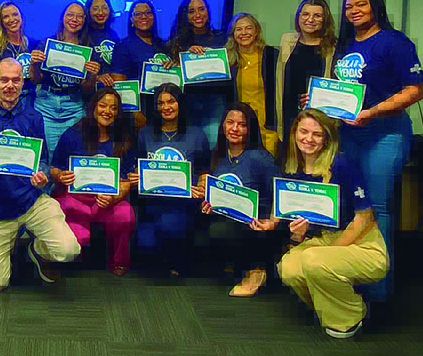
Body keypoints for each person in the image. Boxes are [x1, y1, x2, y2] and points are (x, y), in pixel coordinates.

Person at [332, 0, 423, 297]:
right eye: (349, 7)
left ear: (376, 6)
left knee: (377, 206)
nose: (354, 11)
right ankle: (351, 279)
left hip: (385, 134)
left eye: (361, 4)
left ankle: (378, 290)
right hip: (350, 135)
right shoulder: (345, 44)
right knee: (353, 206)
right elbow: (341, 91)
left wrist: (371, 112)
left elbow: (415, 90)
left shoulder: (394, 42)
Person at [0, 58, 80, 291]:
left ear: (22, 82)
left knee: (68, 250)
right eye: (4, 79)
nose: (10, 85)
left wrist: (43, 174)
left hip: (31, 200)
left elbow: (44, 160)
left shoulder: (34, 117)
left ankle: (35, 251)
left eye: (16, 80)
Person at [277, 109, 388, 339]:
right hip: (322, 238)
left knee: (313, 261)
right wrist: (297, 235)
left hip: (362, 241)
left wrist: (331, 250)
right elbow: (301, 232)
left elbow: (365, 217)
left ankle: (352, 315)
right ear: (294, 133)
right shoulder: (293, 169)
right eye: (304, 132)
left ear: (326, 137)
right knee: (288, 267)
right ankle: (332, 309)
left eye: (317, 134)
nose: (308, 139)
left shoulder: (341, 164)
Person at [194, 102, 280, 297]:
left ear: (250, 129)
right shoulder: (219, 156)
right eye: (230, 122)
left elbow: (278, 195)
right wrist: (208, 204)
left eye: (241, 124)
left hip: (257, 224)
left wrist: (272, 222)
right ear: (222, 125)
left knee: (218, 232)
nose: (235, 128)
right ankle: (235, 266)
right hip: (228, 217)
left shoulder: (260, 158)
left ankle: (257, 269)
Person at [50, 88, 135, 276]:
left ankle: (119, 259)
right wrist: (60, 176)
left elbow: (127, 181)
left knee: (125, 214)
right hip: (75, 198)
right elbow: (54, 168)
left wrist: (115, 198)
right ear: (93, 107)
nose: (108, 111)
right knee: (78, 238)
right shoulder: (73, 134)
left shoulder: (123, 139)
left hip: (107, 200)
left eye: (113, 108)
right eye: (103, 105)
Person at [129, 83, 210, 276]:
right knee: (144, 244)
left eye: (171, 101)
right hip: (151, 204)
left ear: (180, 103)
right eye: (160, 103)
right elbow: (137, 166)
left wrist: (200, 186)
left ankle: (180, 259)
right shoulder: (145, 133)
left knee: (167, 227)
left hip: (182, 205)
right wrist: (135, 176)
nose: (166, 107)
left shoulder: (196, 134)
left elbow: (204, 171)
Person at [29, 2, 101, 157]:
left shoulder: (88, 48)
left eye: (79, 16)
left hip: (74, 105)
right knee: (48, 155)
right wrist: (33, 64)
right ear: (62, 18)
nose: (74, 19)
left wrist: (93, 76)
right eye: (70, 14)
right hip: (46, 105)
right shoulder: (47, 43)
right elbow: (36, 80)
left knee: (73, 153)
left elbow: (87, 89)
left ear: (84, 20)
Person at [274, 0, 337, 156]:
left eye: (317, 15)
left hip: (317, 120)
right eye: (305, 14)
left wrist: (319, 98)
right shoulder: (287, 41)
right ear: (299, 17)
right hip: (288, 116)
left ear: (325, 19)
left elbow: (338, 87)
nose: (310, 19)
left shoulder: (333, 47)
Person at [166, 0, 229, 147]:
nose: (198, 15)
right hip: (187, 104)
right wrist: (181, 59)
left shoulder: (222, 39)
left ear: (208, 11)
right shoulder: (174, 43)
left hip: (214, 102)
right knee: (188, 148)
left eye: (201, 9)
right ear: (185, 15)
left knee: (214, 146)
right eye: (192, 11)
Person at [104, 0, 166, 127]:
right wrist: (136, 114)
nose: (144, 17)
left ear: (154, 17)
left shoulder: (163, 45)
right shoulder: (123, 46)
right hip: (139, 116)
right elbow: (120, 85)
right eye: (138, 14)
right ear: (131, 19)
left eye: (148, 13)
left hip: (165, 111)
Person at [225, 13, 280, 156]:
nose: (244, 33)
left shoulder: (272, 56)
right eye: (238, 29)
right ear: (233, 34)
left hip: (267, 127)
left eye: (248, 28)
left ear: (256, 31)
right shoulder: (227, 60)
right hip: (239, 129)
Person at [0, 1, 38, 107]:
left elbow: (38, 79)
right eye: (6, 17)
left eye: (15, 14)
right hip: (7, 99)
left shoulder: (34, 44)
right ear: (0, 22)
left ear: (21, 17)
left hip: (33, 98)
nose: (11, 19)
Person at [84, 0, 120, 83]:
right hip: (89, 89)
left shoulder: (114, 35)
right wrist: (96, 77)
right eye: (95, 8)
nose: (100, 12)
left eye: (104, 8)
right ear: (88, 11)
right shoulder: (82, 34)